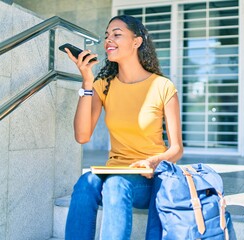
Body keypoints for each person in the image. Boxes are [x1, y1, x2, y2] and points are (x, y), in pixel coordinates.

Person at [63, 15, 183, 240]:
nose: (109, 40)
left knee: (116, 185)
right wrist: (87, 82)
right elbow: (82, 135)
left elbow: (176, 149)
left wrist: (152, 161)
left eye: (117, 34)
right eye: (107, 35)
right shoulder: (103, 85)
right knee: (84, 183)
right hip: (114, 171)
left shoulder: (162, 86)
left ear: (136, 42)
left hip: (149, 176)